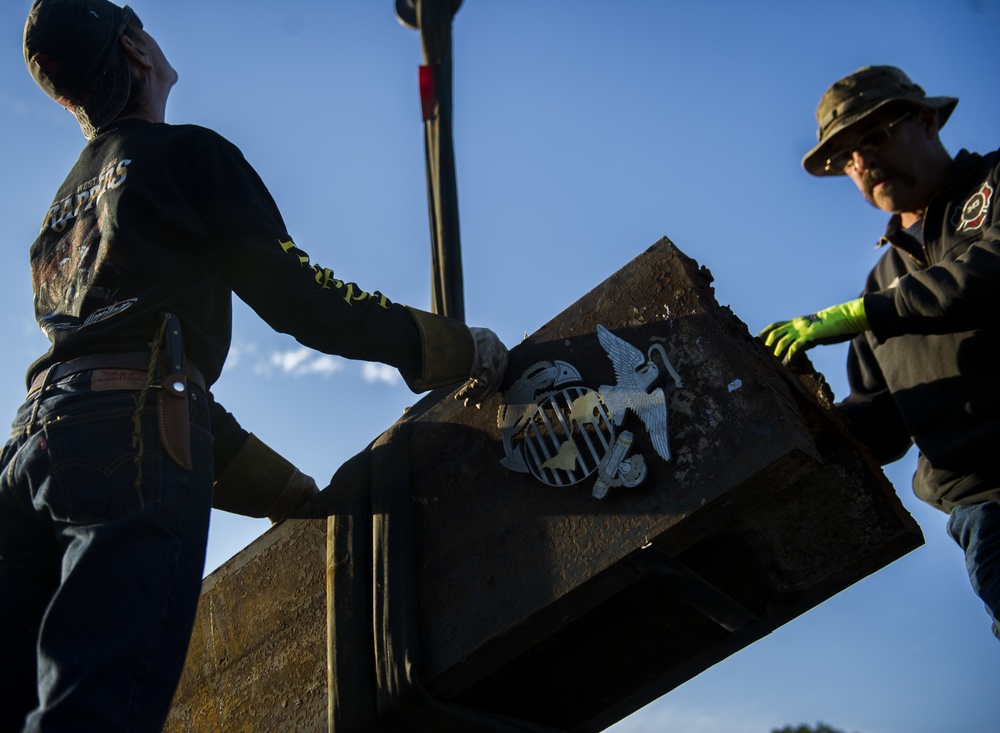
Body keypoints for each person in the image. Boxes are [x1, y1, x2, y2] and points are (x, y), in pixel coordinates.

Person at [0, 2, 508, 732]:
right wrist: (447, 347)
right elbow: (301, 301)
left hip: (27, 453)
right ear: (138, 51)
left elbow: (121, 377)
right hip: (123, 448)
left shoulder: (57, 219)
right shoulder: (188, 156)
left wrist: (290, 494)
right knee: (96, 715)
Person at [760, 65, 1000, 641]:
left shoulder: (994, 180)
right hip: (986, 507)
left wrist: (866, 314)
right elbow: (883, 422)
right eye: (844, 159)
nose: (861, 165)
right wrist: (792, 420)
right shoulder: (881, 280)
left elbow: (989, 273)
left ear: (924, 119)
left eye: (871, 138)